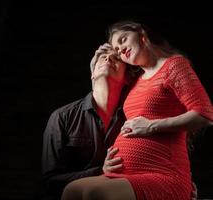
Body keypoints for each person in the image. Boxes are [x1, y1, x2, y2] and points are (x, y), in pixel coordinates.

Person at [61, 20, 213, 200]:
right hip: (123, 174)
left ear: (141, 35)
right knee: (71, 190)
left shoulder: (174, 65)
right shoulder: (136, 81)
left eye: (123, 40)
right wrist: (94, 64)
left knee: (98, 194)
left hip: (163, 173)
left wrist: (150, 126)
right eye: (116, 49)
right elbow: (104, 83)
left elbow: (205, 114)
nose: (120, 50)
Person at [40, 44, 136, 200]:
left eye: (117, 58)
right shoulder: (62, 117)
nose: (108, 58)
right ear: (92, 73)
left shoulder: (132, 119)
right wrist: (100, 172)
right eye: (102, 56)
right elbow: (50, 182)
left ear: (126, 78)